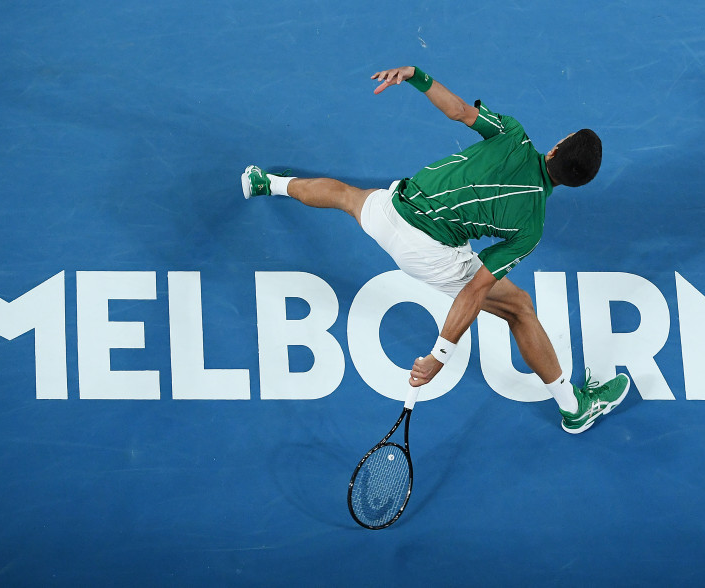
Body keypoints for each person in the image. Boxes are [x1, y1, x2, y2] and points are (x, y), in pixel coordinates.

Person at [241, 65, 629, 434]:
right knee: (520, 308)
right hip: (426, 255)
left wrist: (415, 75)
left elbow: (459, 110)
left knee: (346, 195)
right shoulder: (531, 229)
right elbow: (475, 288)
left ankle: (266, 183)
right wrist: (439, 356)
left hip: (392, 210)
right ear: (575, 185)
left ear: (556, 148)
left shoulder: (514, 134)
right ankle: (574, 408)